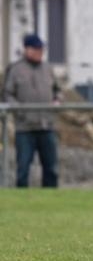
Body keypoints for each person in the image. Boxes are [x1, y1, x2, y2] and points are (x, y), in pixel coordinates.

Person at [3, 34, 62, 188]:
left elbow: (58, 90)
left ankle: (51, 200)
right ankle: (22, 201)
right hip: (25, 128)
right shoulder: (15, 70)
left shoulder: (48, 68)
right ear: (27, 49)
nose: (40, 52)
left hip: (46, 126)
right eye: (36, 49)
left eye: (41, 49)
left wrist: (57, 101)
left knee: (51, 168)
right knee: (23, 168)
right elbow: (8, 94)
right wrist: (21, 111)